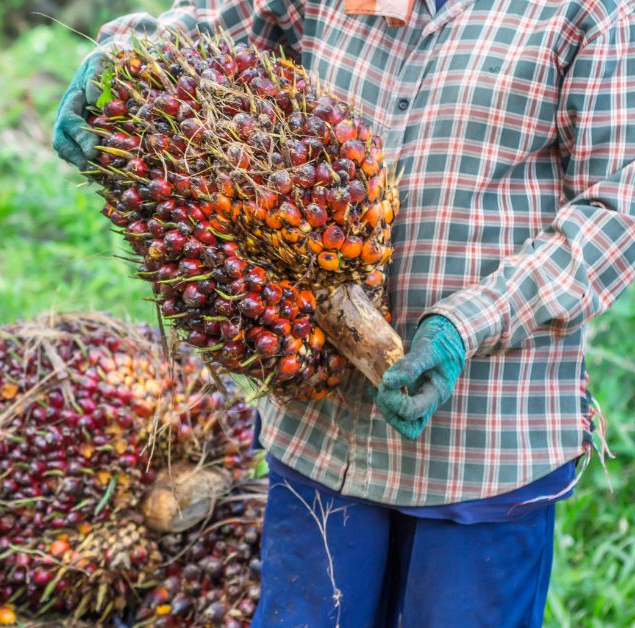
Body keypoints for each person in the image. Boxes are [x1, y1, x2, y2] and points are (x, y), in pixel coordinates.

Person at [52, 0, 635, 625]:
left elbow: (613, 211)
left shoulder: (592, 12)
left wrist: (468, 323)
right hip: (324, 441)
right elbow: (222, 20)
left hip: (482, 445)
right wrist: (126, 56)